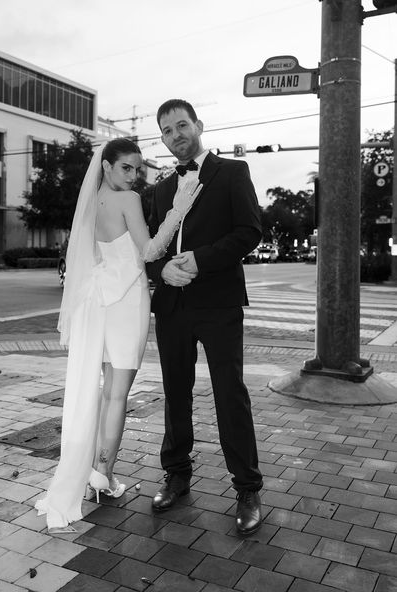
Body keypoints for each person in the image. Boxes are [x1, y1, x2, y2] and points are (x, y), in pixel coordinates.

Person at [35, 138, 201, 532]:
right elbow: (147, 252)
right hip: (126, 301)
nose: (134, 175)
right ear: (106, 166)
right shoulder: (128, 201)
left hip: (97, 302)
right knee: (116, 394)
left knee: (103, 390)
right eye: (126, 167)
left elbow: (88, 259)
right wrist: (178, 211)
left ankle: (97, 470)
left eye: (137, 168)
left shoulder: (89, 204)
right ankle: (103, 475)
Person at [146, 99, 263, 535]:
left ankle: (247, 487)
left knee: (229, 393)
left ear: (198, 125)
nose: (176, 134)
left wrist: (198, 260)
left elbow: (250, 232)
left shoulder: (232, 173)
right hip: (172, 307)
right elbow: (150, 249)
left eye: (181, 125)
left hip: (219, 303)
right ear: (162, 138)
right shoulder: (159, 190)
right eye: (167, 130)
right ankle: (176, 474)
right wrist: (163, 271)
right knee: (175, 392)